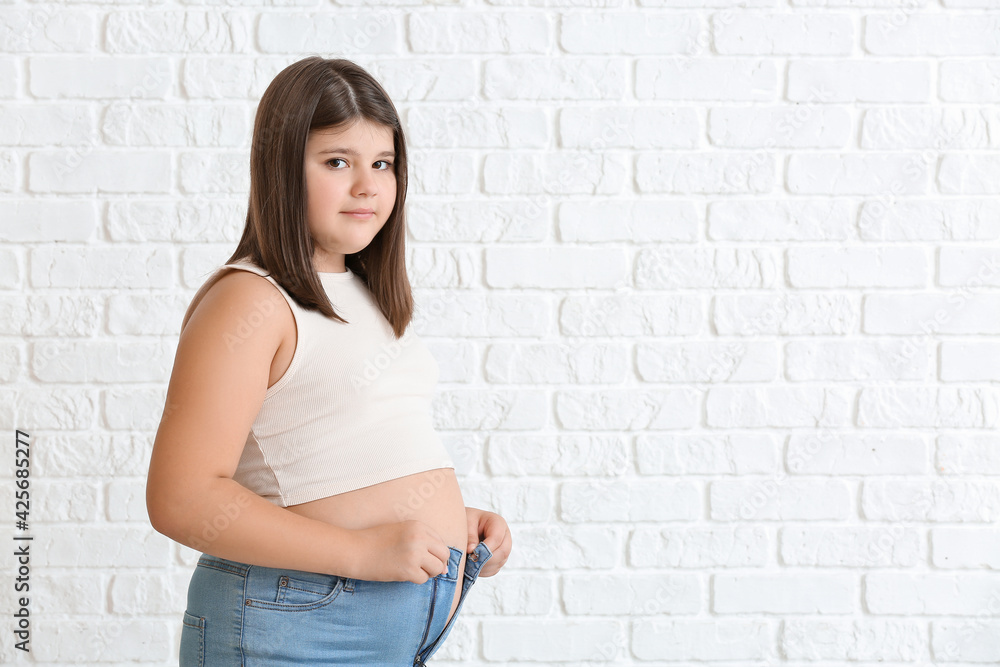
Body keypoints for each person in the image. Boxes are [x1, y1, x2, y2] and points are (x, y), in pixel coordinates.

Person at [145, 56, 512, 665]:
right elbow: (180, 499)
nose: (367, 184)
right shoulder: (250, 300)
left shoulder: (362, 293)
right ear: (283, 169)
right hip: (295, 627)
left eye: (383, 163)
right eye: (338, 161)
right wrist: (363, 552)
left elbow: (337, 460)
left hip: (386, 622)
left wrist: (454, 527)